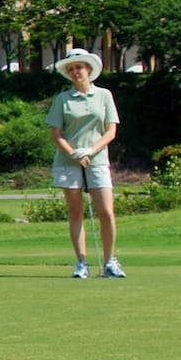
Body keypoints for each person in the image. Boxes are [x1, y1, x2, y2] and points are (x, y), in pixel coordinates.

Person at [45, 47, 124, 279]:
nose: (76, 72)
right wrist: (75, 153)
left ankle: (110, 261)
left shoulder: (104, 95)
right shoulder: (63, 99)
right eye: (71, 69)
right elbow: (56, 134)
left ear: (88, 69)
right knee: (76, 211)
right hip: (68, 161)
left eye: (79, 67)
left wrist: (90, 150)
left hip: (97, 159)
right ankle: (82, 262)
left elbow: (110, 131)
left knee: (106, 212)